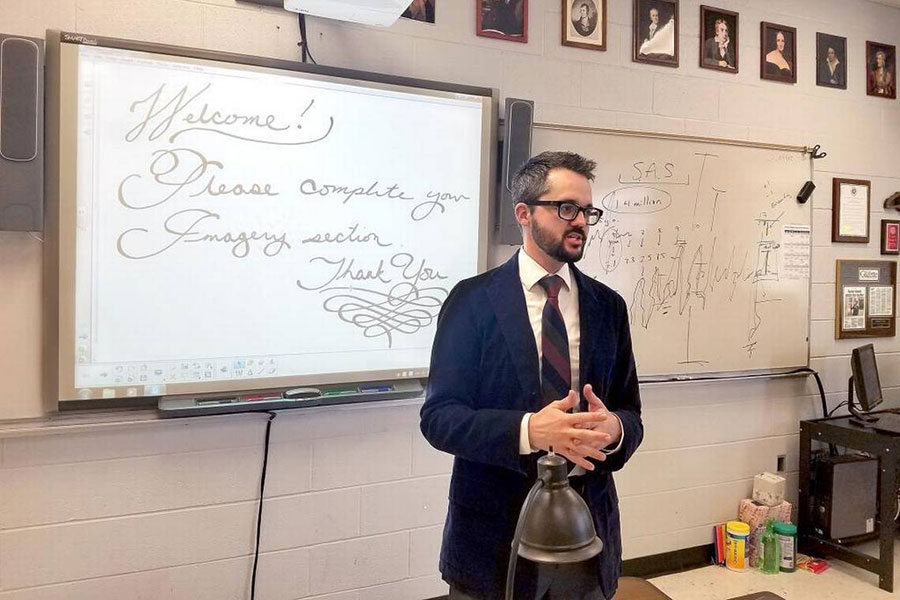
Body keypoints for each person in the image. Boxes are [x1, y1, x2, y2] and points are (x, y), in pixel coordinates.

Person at [420, 151, 643, 600]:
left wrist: (614, 429)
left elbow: (631, 414)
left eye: (586, 211)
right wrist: (529, 430)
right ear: (524, 214)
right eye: (566, 208)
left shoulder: (608, 307)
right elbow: (440, 418)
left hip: (588, 533)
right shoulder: (471, 301)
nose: (579, 221)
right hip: (491, 537)